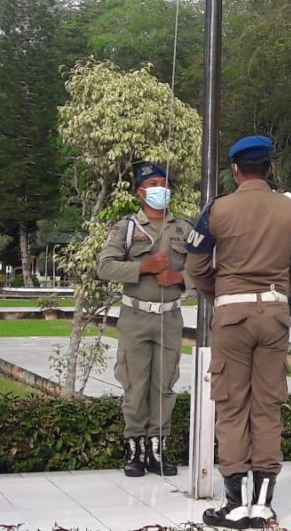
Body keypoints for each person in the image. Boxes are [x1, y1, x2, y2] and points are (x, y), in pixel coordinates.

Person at [185, 135, 291, 529]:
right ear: (270, 168)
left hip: (231, 316)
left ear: (235, 170)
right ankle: (264, 504)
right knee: (267, 406)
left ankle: (236, 506)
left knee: (232, 405)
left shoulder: (217, 209)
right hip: (274, 316)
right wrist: (276, 293)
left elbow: (195, 266)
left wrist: (220, 294)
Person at [96, 162, 191, 478]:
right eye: (152, 183)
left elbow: (204, 270)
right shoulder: (126, 229)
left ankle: (157, 448)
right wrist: (144, 268)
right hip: (135, 316)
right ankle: (135, 449)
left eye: (163, 183)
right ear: (140, 191)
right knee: (135, 386)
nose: (159, 188)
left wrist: (179, 277)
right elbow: (105, 267)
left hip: (170, 318)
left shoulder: (183, 230)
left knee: (164, 385)